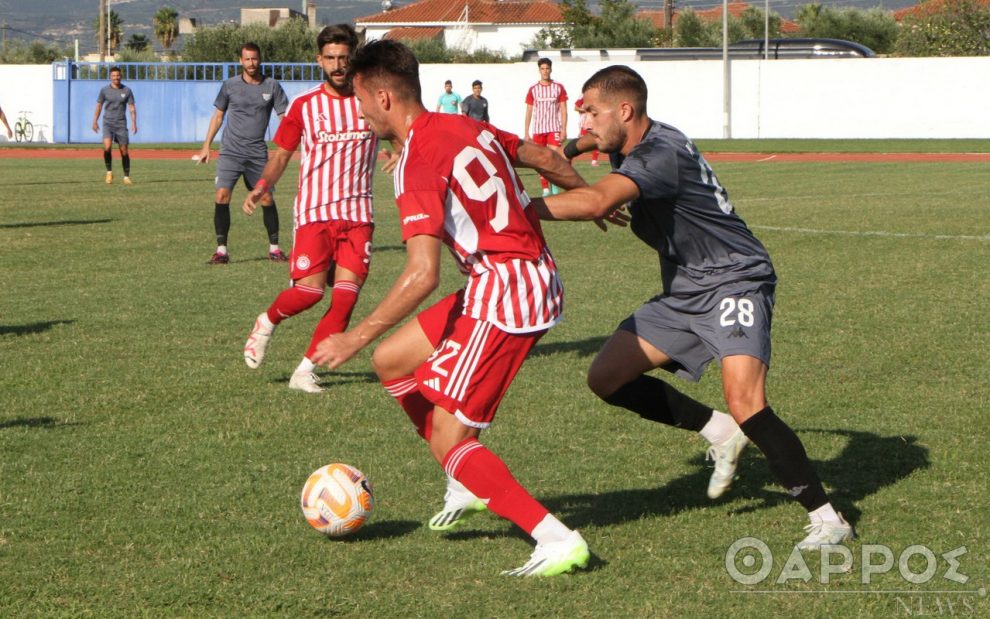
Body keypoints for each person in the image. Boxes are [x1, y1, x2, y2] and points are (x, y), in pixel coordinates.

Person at [540, 65, 855, 551]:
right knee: (606, 377)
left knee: (747, 401)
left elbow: (595, 203)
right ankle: (719, 431)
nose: (585, 121)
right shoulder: (626, 138)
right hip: (686, 290)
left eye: (592, 112)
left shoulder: (658, 154)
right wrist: (570, 150)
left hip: (735, 279)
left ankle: (828, 518)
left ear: (625, 110)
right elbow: (582, 149)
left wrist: (517, 209)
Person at [313, 39, 591, 577]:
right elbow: (539, 155)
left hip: (508, 291)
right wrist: (585, 193)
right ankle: (465, 476)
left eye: (363, 100)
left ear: (385, 97)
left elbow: (422, 274)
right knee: (392, 361)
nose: (361, 111)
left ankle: (555, 538)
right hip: (510, 277)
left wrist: (352, 335)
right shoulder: (463, 123)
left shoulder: (417, 159)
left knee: (449, 434)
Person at [240, 24, 380, 394]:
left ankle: (304, 371)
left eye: (344, 58)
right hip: (316, 213)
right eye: (330, 58)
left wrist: (398, 150)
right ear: (319, 60)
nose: (337, 65)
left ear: (353, 59)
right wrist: (262, 186)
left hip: (358, 216)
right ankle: (266, 321)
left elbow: (401, 130)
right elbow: (282, 155)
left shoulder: (373, 100)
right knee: (310, 293)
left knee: (346, 299)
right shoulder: (305, 106)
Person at [197, 43, 290, 265]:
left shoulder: (272, 86)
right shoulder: (229, 85)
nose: (251, 63)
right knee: (221, 196)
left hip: (257, 153)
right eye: (247, 59)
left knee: (266, 197)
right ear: (240, 61)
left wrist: (287, 142)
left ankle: (275, 249)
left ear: (260, 60)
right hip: (230, 151)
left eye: (255, 59)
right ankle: (221, 251)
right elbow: (218, 116)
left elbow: (284, 117)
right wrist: (206, 145)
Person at [524, 57, 567, 197]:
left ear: (551, 69)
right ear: (539, 70)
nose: (545, 71)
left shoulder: (558, 87)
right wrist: (526, 132)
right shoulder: (533, 89)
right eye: (542, 68)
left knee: (554, 157)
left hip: (554, 127)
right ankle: (545, 188)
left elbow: (563, 109)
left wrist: (564, 129)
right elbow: (529, 110)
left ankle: (554, 184)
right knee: (541, 159)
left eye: (547, 68)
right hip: (538, 129)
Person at [92, 67, 137, 185]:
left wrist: (134, 123)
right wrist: (94, 121)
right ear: (110, 77)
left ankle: (126, 177)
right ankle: (109, 172)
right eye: (113, 76)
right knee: (107, 147)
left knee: (124, 151)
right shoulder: (104, 90)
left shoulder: (127, 90)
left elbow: (132, 107)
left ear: (120, 76)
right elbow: (99, 106)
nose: (116, 77)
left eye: (118, 75)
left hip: (121, 124)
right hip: (108, 123)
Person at [573, 96, 599, 167]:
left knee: (596, 140)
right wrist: (586, 111)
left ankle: (594, 161)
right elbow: (576, 107)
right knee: (582, 142)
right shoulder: (583, 96)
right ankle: (572, 158)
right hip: (584, 123)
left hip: (594, 122)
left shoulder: (599, 96)